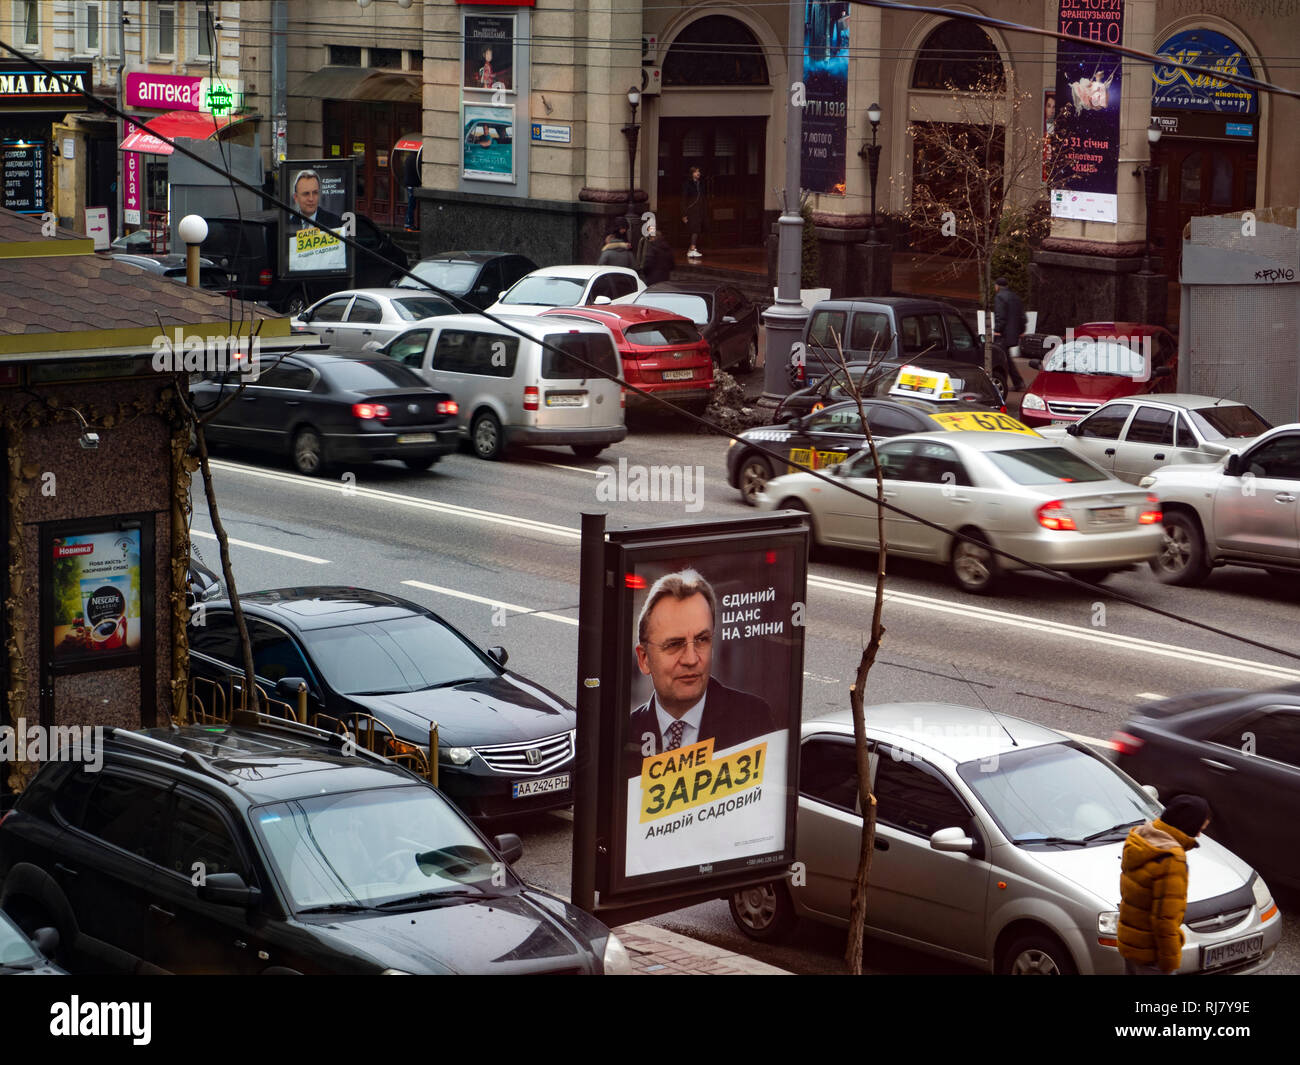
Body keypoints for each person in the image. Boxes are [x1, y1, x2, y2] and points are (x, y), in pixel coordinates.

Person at [628, 569, 776, 771]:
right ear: (644, 659)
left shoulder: (753, 718)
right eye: (674, 644)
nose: (691, 659)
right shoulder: (624, 734)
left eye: (702, 640)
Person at [1117, 795, 1212, 975]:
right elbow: (1164, 920)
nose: (1199, 834)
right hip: (1152, 955)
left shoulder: (1140, 839)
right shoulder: (1171, 858)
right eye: (1200, 828)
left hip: (1131, 944)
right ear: (1189, 824)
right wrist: (1169, 962)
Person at [992, 276, 1028, 390]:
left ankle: (1001, 382)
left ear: (997, 286)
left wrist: (997, 330)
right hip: (1013, 333)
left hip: (1003, 334)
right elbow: (1022, 317)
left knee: (1000, 358)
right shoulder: (1015, 297)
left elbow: (1000, 316)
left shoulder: (999, 297)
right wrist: (1021, 330)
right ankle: (1018, 382)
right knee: (1006, 358)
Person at [287, 170, 343, 234]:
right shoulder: (288, 224)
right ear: (296, 198)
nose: (311, 199)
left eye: (315, 193)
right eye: (306, 194)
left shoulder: (335, 221)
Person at [680, 166, 706, 260]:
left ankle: (691, 249)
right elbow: (684, 199)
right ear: (692, 174)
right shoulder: (687, 184)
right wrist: (684, 214)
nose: (698, 173)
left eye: (699, 171)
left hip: (699, 210)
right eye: (695, 172)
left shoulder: (700, 184)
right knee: (694, 229)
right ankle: (692, 248)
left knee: (696, 229)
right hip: (690, 210)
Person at [403, 149, 421, 232]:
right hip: (412, 184)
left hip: (409, 184)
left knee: (411, 205)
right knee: (411, 205)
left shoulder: (409, 158)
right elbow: (418, 171)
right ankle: (409, 224)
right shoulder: (414, 159)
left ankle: (408, 224)